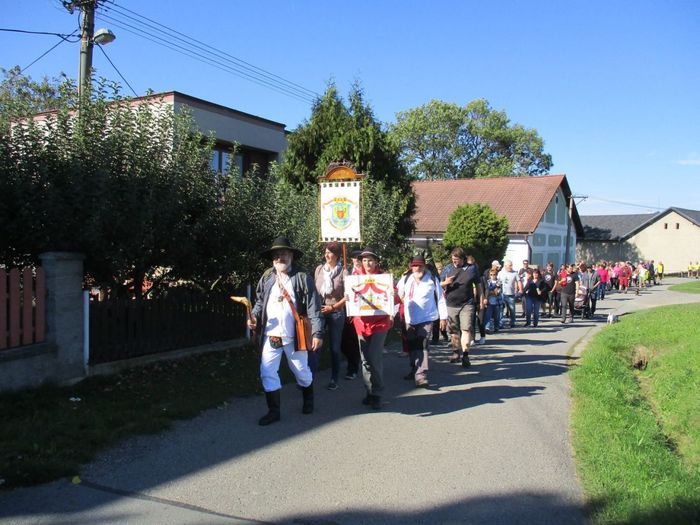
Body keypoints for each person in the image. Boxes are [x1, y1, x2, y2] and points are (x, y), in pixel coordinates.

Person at [248, 237, 324, 426]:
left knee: (301, 371)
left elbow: (314, 306)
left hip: (294, 336)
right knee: (267, 371)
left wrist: (317, 333)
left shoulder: (302, 277)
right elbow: (260, 301)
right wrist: (254, 316)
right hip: (271, 335)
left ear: (291, 255)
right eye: (276, 255)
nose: (279, 257)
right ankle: (274, 411)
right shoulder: (267, 277)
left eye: (283, 253)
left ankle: (308, 399)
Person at [352, 247, 394, 409]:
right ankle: (369, 391)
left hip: (380, 323)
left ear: (376, 262)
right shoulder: (355, 279)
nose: (367, 263)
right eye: (364, 260)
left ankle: (377, 393)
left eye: (370, 260)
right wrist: (348, 298)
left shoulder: (384, 278)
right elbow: (350, 297)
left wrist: (393, 296)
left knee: (374, 358)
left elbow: (396, 297)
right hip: (361, 323)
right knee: (365, 360)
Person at [397, 255, 447, 387]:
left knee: (422, 344)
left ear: (424, 266)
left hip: (427, 317)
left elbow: (440, 298)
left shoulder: (432, 279)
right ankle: (414, 369)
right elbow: (398, 294)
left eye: (420, 265)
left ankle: (421, 374)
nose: (417, 268)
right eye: (415, 265)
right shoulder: (405, 279)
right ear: (411, 267)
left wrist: (443, 317)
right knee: (412, 345)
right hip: (410, 318)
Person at [314, 242, 348, 391]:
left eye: (330, 252)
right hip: (320, 312)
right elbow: (314, 290)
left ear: (337, 255)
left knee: (334, 347)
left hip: (336, 312)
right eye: (326, 252)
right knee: (316, 344)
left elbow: (347, 296)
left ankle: (334, 378)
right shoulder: (319, 269)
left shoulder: (344, 272)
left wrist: (333, 307)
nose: (326, 255)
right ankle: (309, 378)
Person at [442, 247, 479, 367]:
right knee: (453, 331)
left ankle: (465, 355)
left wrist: (480, 300)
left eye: (457, 259)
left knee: (466, 329)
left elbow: (478, 284)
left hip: (467, 303)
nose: (454, 262)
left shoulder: (472, 269)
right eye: (453, 259)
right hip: (451, 304)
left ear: (463, 259)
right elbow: (438, 285)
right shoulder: (448, 268)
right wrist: (446, 282)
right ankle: (456, 353)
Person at [340, 250, 362, 380]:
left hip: (361, 311)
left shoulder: (366, 273)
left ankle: (353, 368)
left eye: (359, 258)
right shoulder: (345, 271)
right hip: (347, 310)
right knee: (344, 342)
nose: (357, 260)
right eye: (355, 257)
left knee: (355, 341)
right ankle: (355, 361)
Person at [497, 260, 521, 328]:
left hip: (511, 294)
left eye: (511, 265)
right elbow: (497, 281)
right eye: (510, 265)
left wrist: (520, 289)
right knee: (501, 309)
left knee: (512, 309)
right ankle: (500, 324)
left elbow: (518, 281)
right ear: (505, 266)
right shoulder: (500, 273)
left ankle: (512, 322)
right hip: (502, 294)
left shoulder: (515, 273)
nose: (511, 267)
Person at [483, 267, 502, 333]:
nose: (492, 276)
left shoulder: (499, 281)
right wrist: (493, 288)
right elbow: (487, 290)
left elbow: (498, 292)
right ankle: (487, 327)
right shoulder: (488, 282)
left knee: (497, 316)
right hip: (489, 302)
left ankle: (496, 327)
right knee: (488, 315)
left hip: (497, 302)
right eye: (491, 274)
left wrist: (491, 291)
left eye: (494, 274)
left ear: (496, 275)